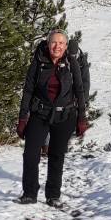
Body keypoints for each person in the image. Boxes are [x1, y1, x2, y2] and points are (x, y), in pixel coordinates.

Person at [16, 29, 89, 207]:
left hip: (65, 115)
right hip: (40, 113)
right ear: (48, 44)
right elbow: (28, 90)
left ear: (66, 45)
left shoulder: (71, 63)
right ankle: (29, 193)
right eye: (54, 43)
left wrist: (81, 118)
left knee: (57, 155)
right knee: (31, 154)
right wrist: (23, 118)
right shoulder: (39, 61)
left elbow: (79, 91)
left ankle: (53, 195)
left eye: (61, 43)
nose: (57, 46)